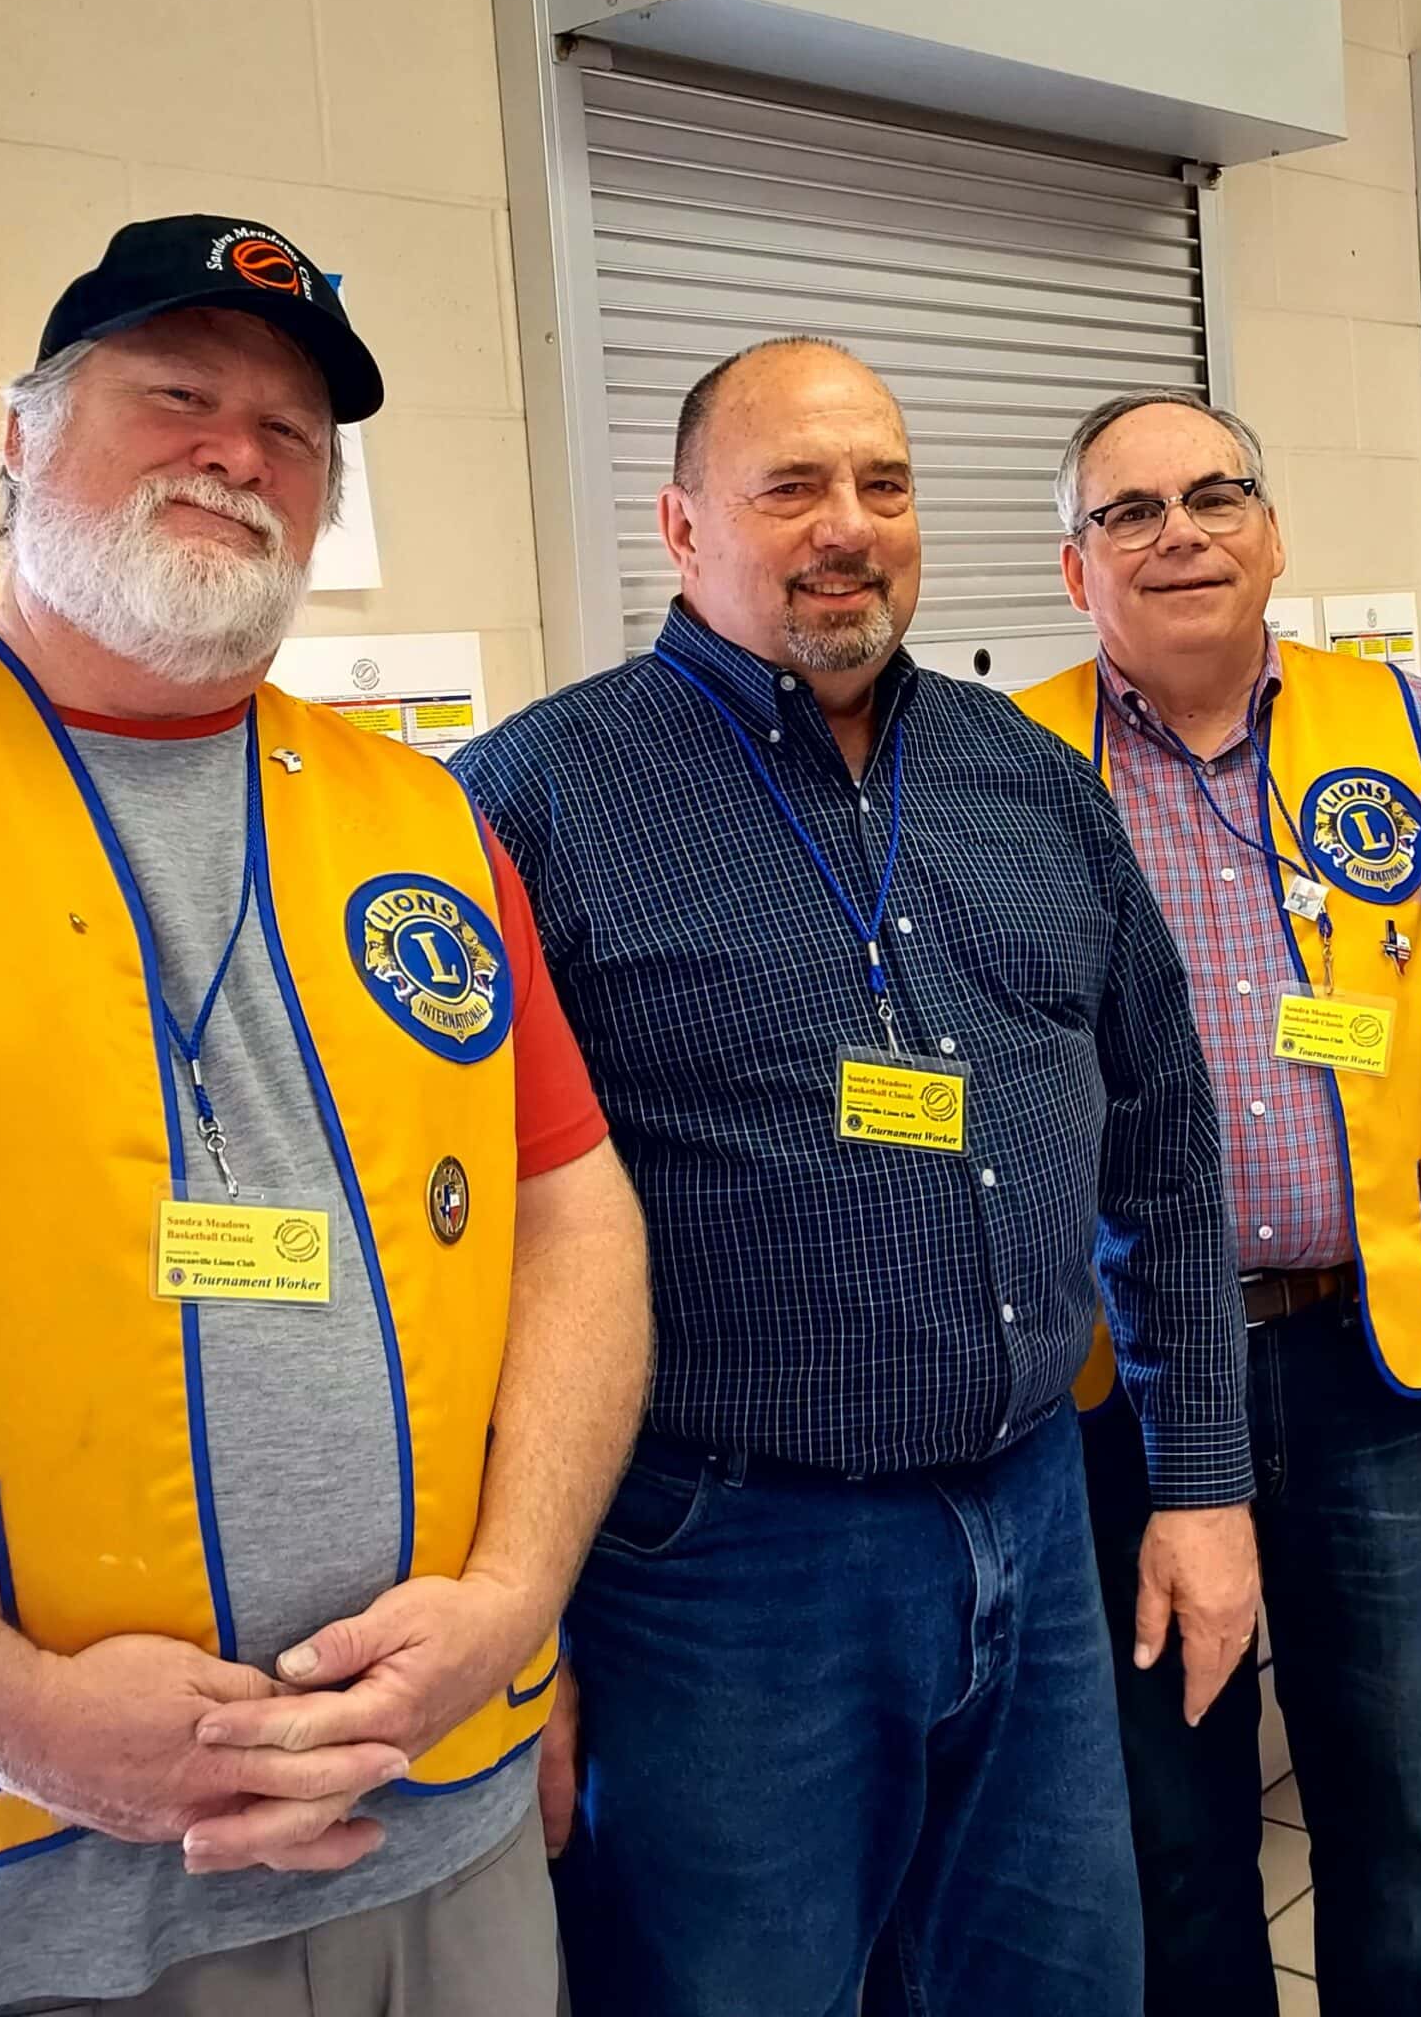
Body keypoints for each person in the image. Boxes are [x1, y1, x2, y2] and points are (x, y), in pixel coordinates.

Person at [0, 215, 650, 2017]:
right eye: (179, 395)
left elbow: (576, 1222)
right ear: (18, 441)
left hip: (428, 1815)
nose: (236, 457)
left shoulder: (428, 826)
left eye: (293, 438)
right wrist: (3, 1708)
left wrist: (512, 1603)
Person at [455, 335, 1255, 2017]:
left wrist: (1199, 1481)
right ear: (681, 531)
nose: (849, 526)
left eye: (883, 485)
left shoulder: (1028, 780)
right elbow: (452, 1248)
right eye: (792, 486)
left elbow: (1169, 1150)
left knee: (1058, 1987)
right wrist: (514, 1626)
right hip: (717, 1571)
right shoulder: (530, 802)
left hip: (1035, 1522)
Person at [1017, 387, 1421, 2015]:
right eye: (1131, 512)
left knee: (1399, 1813)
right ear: (1074, 566)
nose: (1178, 532)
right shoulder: (1001, 763)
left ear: (1271, 531)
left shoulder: (1397, 725)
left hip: (1371, 1367)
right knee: (1172, 1834)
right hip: (1126, 1385)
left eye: (1214, 495)